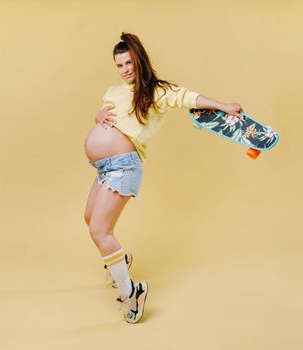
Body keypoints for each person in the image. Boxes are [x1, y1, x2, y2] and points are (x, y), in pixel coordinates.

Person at [83, 32, 243, 323]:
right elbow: (106, 117)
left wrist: (223, 106)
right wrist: (97, 117)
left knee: (99, 231)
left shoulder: (156, 92)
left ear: (139, 60)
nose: (125, 69)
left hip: (123, 166)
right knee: (89, 218)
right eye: (120, 65)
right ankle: (120, 261)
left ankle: (131, 292)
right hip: (105, 167)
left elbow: (188, 97)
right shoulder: (113, 91)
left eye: (129, 62)